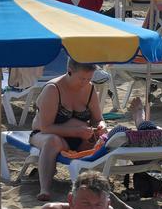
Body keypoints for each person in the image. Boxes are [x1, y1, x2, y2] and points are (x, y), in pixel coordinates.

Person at [31, 58, 107, 201]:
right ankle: (45, 189)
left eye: (89, 78)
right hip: (45, 134)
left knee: (102, 141)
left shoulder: (89, 89)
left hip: (78, 137)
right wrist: (77, 131)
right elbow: (46, 127)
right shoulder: (53, 89)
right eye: (82, 78)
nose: (85, 82)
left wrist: (101, 126)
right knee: (52, 141)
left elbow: (98, 118)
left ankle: (95, 187)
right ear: (70, 72)